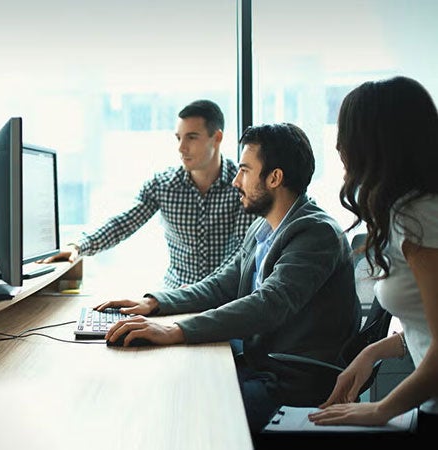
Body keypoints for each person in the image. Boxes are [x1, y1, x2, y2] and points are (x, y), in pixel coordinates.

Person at [97, 123, 360, 433]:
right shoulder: (264, 228)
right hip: (261, 367)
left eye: (246, 171)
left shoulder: (316, 233)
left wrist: (176, 330)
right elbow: (223, 283)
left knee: (181, 413)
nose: (236, 181)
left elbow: (269, 304)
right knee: (167, 385)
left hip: (291, 383)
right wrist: (155, 303)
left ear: (274, 178)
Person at [307, 76, 438, 435]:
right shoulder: (407, 210)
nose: (338, 146)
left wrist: (381, 409)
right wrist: (372, 352)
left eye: (346, 133)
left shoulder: (419, 216)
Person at [38, 100, 255, 289]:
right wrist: (78, 246)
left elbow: (238, 253)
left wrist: (201, 292)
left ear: (216, 138)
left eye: (192, 138)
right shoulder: (163, 184)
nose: (181, 148)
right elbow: (123, 223)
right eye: (178, 138)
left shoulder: (242, 185)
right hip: (173, 295)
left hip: (223, 298)